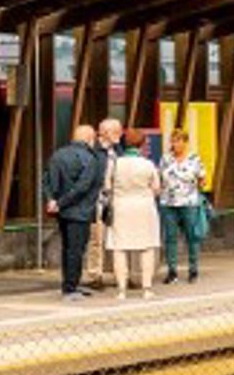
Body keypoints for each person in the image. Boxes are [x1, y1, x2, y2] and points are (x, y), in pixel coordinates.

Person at [42, 125, 105, 302]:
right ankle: (70, 288)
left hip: (62, 212)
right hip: (81, 211)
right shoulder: (89, 158)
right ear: (89, 138)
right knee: (76, 250)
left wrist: (52, 200)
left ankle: (70, 284)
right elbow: (83, 187)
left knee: (68, 248)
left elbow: (46, 179)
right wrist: (60, 203)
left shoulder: (58, 154)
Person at [106, 129, 161, 300]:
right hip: (144, 207)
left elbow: (107, 187)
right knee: (147, 247)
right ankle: (147, 288)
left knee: (119, 247)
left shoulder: (115, 164)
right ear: (142, 144)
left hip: (121, 207)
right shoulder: (148, 164)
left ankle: (121, 290)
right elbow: (157, 189)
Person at [158, 129, 207, 284]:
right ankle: (172, 271)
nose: (175, 144)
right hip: (169, 203)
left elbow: (202, 180)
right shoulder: (165, 159)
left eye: (179, 141)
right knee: (170, 237)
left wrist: (196, 190)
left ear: (185, 142)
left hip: (189, 203)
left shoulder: (194, 159)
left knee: (192, 237)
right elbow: (160, 178)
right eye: (173, 141)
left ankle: (193, 269)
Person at [85, 117, 123, 289]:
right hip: (98, 200)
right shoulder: (94, 150)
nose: (119, 134)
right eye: (116, 131)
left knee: (117, 238)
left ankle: (118, 273)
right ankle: (95, 275)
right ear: (105, 133)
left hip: (116, 199)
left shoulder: (118, 150)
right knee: (96, 239)